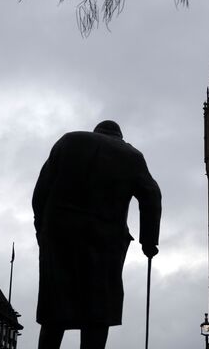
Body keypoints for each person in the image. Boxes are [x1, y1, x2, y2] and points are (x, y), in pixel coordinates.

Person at [32, 120, 162, 349]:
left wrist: (41, 230)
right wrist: (148, 242)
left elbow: (40, 192)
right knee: (97, 313)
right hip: (105, 243)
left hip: (59, 237)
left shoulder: (68, 141)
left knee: (54, 311)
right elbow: (152, 196)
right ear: (120, 137)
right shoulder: (132, 156)